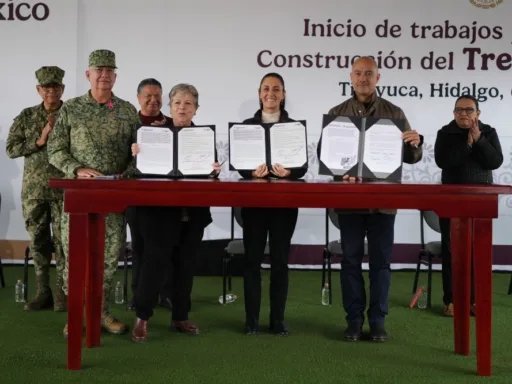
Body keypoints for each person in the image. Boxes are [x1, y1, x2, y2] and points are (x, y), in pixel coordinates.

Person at [319, 57, 423, 342]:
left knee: (381, 264)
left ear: (379, 77)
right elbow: (325, 156)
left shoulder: (395, 112)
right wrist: (340, 171)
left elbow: (411, 157)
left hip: (383, 203)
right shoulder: (337, 113)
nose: (363, 78)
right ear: (350, 77)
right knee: (350, 262)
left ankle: (377, 321)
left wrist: (415, 144)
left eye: (369, 73)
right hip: (350, 203)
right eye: (358, 73)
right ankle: (354, 320)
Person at [47, 49, 138, 338]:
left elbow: (140, 152)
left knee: (109, 258)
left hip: (112, 198)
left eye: (109, 70)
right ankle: (76, 314)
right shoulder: (72, 108)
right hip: (79, 197)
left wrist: (131, 170)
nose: (104, 75)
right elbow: (55, 149)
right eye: (98, 70)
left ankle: (101, 312)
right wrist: (76, 169)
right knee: (76, 257)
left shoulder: (126, 111)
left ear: (115, 76)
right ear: (88, 74)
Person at [131, 83, 221, 343]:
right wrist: (138, 153)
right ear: (169, 107)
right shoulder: (154, 134)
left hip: (192, 214)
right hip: (159, 213)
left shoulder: (204, 136)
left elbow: (209, 173)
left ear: (196, 109)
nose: (182, 108)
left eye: (188, 104)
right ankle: (142, 318)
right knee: (154, 263)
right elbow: (141, 171)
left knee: (186, 264)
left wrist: (214, 170)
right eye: (178, 103)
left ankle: (180, 316)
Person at [238, 73, 307, 336]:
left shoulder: (294, 127)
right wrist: (251, 173)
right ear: (259, 93)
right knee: (251, 262)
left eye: (276, 89)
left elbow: (302, 167)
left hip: (284, 204)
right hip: (254, 204)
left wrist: (290, 173)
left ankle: (277, 320)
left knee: (280, 262)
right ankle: (251, 320)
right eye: (266, 89)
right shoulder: (246, 126)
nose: (271, 93)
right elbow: (241, 166)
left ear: (283, 94)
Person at [434, 95, 503, 317]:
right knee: (451, 249)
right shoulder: (445, 133)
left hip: (481, 198)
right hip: (452, 197)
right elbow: (444, 161)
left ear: (477, 113)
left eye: (468, 110)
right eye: (459, 110)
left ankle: (475, 300)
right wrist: (469, 144)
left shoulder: (489, 132)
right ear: (453, 113)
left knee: (478, 250)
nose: (464, 114)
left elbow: (495, 162)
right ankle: (451, 300)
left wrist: (480, 140)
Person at [6, 66, 67, 312]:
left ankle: (63, 293)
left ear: (62, 88)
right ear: (38, 90)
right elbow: (11, 149)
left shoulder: (71, 114)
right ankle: (44, 292)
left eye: (55, 86)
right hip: (35, 190)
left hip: (64, 189)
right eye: (46, 87)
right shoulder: (27, 116)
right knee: (39, 242)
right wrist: (39, 140)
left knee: (64, 243)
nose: (50, 91)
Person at [126, 78, 173, 312]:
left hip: (167, 198)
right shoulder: (128, 125)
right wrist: (131, 153)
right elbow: (118, 159)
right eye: (148, 96)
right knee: (140, 248)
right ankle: (138, 297)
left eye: (158, 96)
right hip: (137, 197)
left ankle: (164, 293)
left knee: (165, 247)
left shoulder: (172, 124)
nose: (153, 101)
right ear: (138, 98)